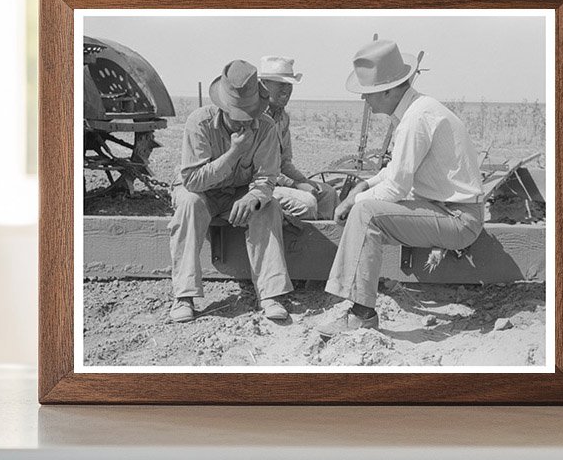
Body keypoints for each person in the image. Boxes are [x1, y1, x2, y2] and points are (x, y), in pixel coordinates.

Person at [320, 38, 485, 338]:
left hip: (458, 219)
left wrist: (352, 202)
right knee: (364, 203)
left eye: (367, 93)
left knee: (366, 213)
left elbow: (396, 188)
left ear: (386, 90)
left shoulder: (416, 120)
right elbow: (394, 171)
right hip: (446, 209)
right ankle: (355, 300)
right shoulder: (418, 111)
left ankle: (361, 314)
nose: (364, 100)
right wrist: (364, 185)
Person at [168, 59, 293, 324]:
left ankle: (271, 295)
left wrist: (253, 197)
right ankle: (184, 296)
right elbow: (192, 180)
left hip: (238, 193)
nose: (244, 123)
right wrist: (233, 152)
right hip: (202, 193)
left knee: (268, 207)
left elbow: (266, 178)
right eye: (237, 116)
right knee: (189, 203)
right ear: (223, 107)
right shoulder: (199, 123)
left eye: (250, 115)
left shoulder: (267, 127)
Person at [259, 55, 338, 222]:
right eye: (281, 84)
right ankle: (296, 244)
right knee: (307, 202)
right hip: (259, 184)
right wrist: (295, 185)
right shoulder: (256, 118)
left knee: (327, 193)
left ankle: (320, 244)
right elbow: (260, 169)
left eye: (289, 84)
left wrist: (303, 181)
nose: (286, 89)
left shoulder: (282, 118)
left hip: (277, 180)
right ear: (264, 85)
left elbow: (284, 162)